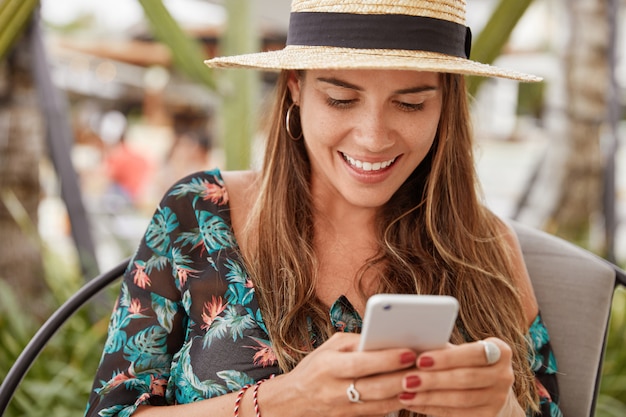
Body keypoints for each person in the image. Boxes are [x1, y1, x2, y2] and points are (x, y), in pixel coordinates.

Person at [85, 1, 562, 416]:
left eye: (411, 104)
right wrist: (283, 402)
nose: (373, 137)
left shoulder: (487, 244)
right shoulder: (199, 215)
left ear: (446, 103)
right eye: (340, 99)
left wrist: (501, 410)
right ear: (294, 85)